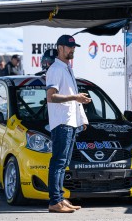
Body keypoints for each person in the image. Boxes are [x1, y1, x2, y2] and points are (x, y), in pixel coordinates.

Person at [46, 35, 91, 213]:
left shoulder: (67, 68)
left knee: (63, 163)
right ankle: (54, 201)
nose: (72, 50)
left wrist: (81, 118)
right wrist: (75, 97)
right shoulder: (56, 69)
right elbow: (51, 97)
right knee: (58, 162)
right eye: (69, 47)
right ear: (60, 48)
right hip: (61, 122)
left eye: (73, 47)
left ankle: (60, 198)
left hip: (70, 122)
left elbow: (72, 97)